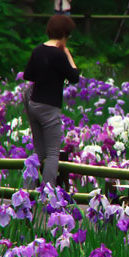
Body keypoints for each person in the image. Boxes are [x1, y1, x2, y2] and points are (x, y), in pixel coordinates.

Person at [23, 15, 80, 186]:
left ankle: (30, 189)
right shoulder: (60, 55)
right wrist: (68, 54)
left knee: (39, 151)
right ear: (65, 35)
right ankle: (47, 194)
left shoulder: (38, 50)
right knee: (53, 153)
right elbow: (74, 77)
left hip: (33, 104)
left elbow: (28, 75)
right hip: (50, 107)